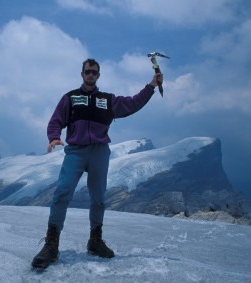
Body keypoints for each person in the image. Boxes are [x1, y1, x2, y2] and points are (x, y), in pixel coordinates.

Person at [32, 58, 163, 269]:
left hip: (100, 152)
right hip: (75, 152)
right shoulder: (70, 97)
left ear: (98, 75)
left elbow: (132, 103)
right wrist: (53, 136)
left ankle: (95, 241)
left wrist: (151, 86)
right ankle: (51, 244)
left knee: (99, 199)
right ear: (82, 74)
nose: (90, 75)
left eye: (94, 72)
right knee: (62, 193)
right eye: (87, 71)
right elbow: (56, 119)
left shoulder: (108, 100)